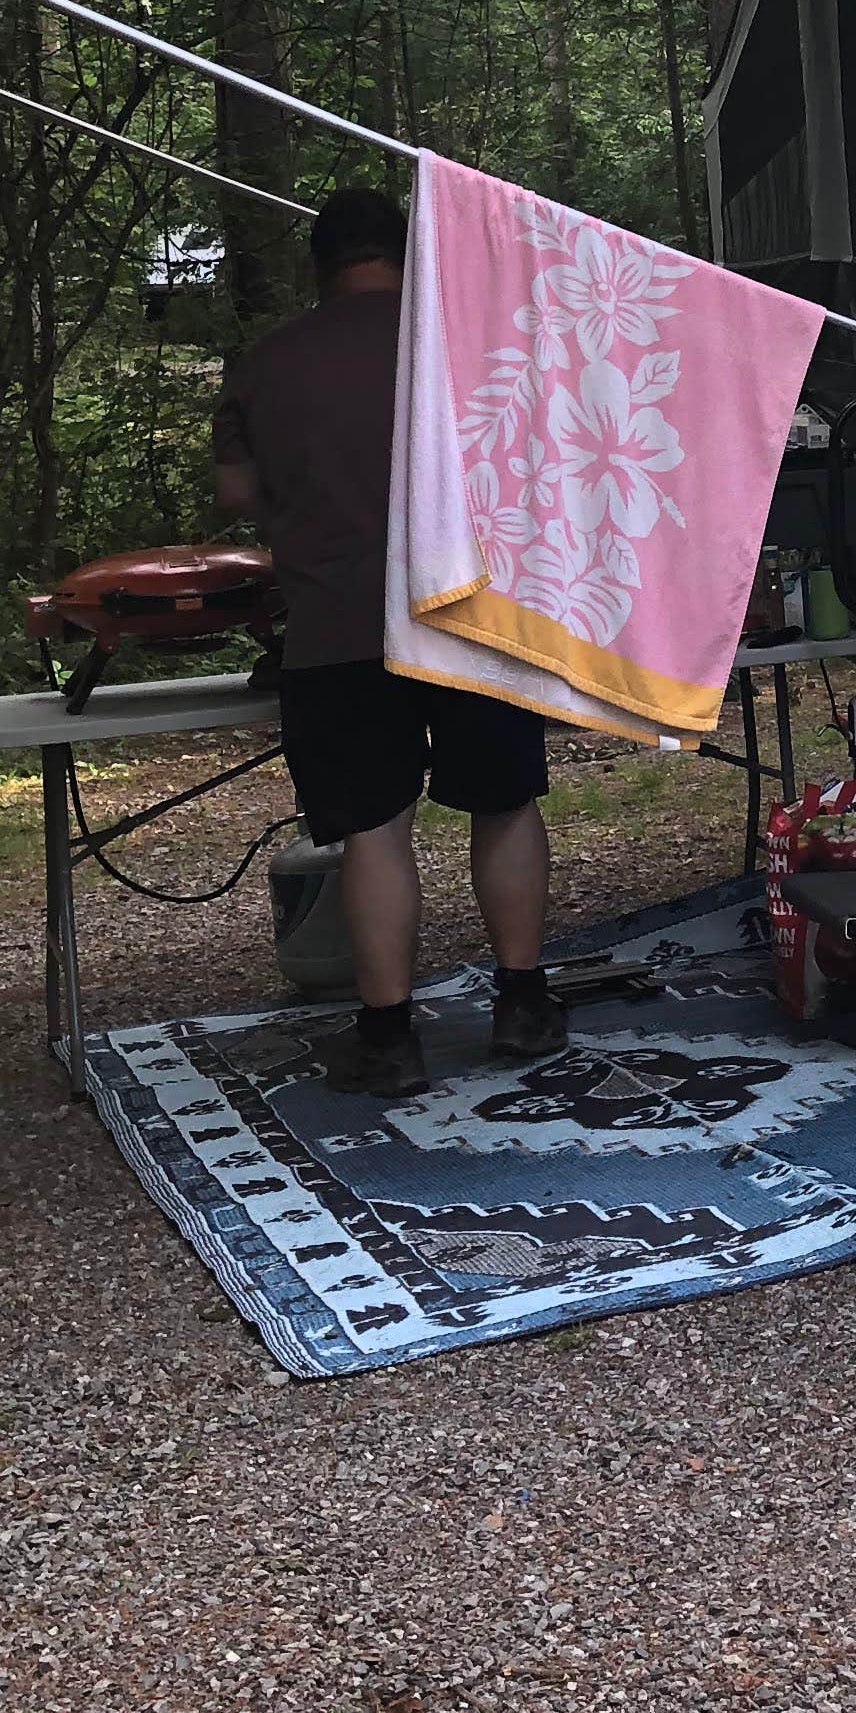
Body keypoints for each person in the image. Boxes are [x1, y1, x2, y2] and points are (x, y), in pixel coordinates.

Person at [211, 184, 561, 1097]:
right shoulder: (467, 343)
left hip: (338, 624)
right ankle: (522, 1005)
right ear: (410, 258)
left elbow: (239, 496)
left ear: (318, 269)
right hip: (473, 615)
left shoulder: (267, 363)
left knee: (373, 828)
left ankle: (389, 1037)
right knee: (506, 803)